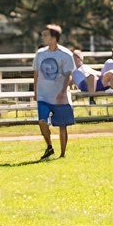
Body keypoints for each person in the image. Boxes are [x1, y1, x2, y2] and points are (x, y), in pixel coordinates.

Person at [33, 24, 76, 159]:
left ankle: (62, 154)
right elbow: (36, 73)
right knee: (42, 121)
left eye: (46, 35)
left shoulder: (66, 54)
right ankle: (49, 146)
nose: (43, 37)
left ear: (54, 38)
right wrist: (35, 91)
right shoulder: (40, 54)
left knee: (62, 126)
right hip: (43, 94)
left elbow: (69, 75)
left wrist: (63, 91)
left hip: (59, 96)